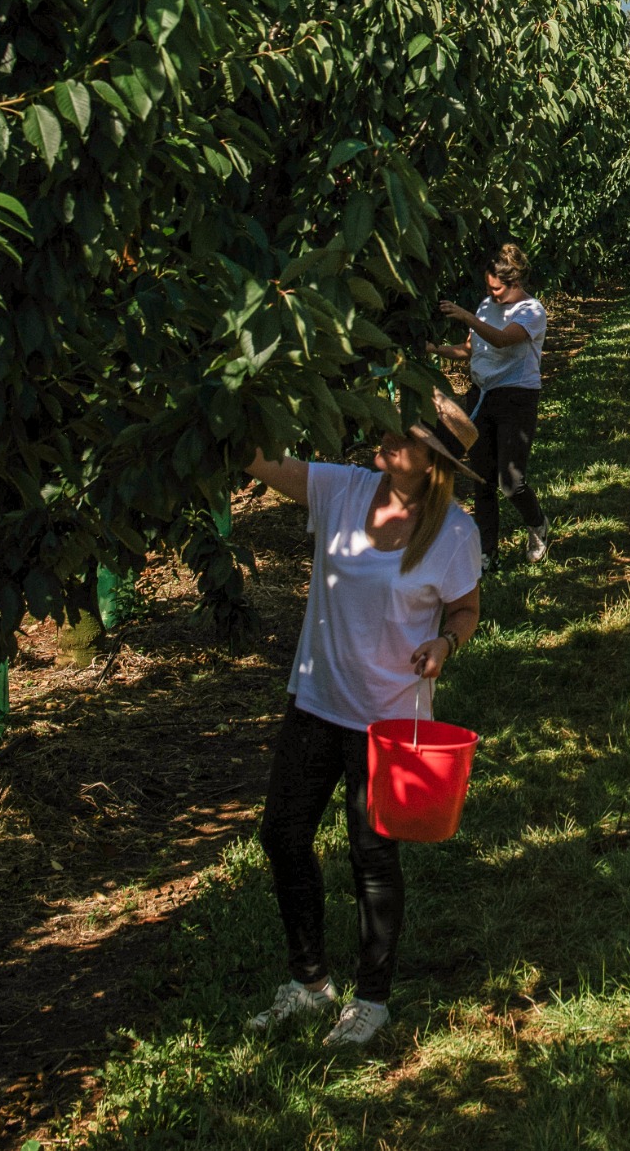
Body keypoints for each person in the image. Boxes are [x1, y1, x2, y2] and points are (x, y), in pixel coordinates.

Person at [241, 389, 484, 1050]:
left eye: (404, 437)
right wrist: (226, 410)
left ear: (432, 463)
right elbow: (262, 461)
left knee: (371, 856)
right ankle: (309, 982)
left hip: (387, 719)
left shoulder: (454, 532)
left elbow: (465, 609)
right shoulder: (341, 489)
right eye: (389, 427)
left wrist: (446, 643)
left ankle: (371, 999)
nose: (387, 439)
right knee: (282, 834)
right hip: (317, 699)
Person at [439, 242, 549, 566]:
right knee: (482, 478)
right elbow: (470, 349)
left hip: (516, 397)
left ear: (515, 283)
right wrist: (434, 349)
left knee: (510, 481)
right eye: (488, 288)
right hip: (481, 395)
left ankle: (537, 524)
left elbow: (501, 340)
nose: (492, 294)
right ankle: (487, 551)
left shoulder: (531, 312)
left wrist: (465, 315)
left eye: (497, 289)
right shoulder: (487, 306)